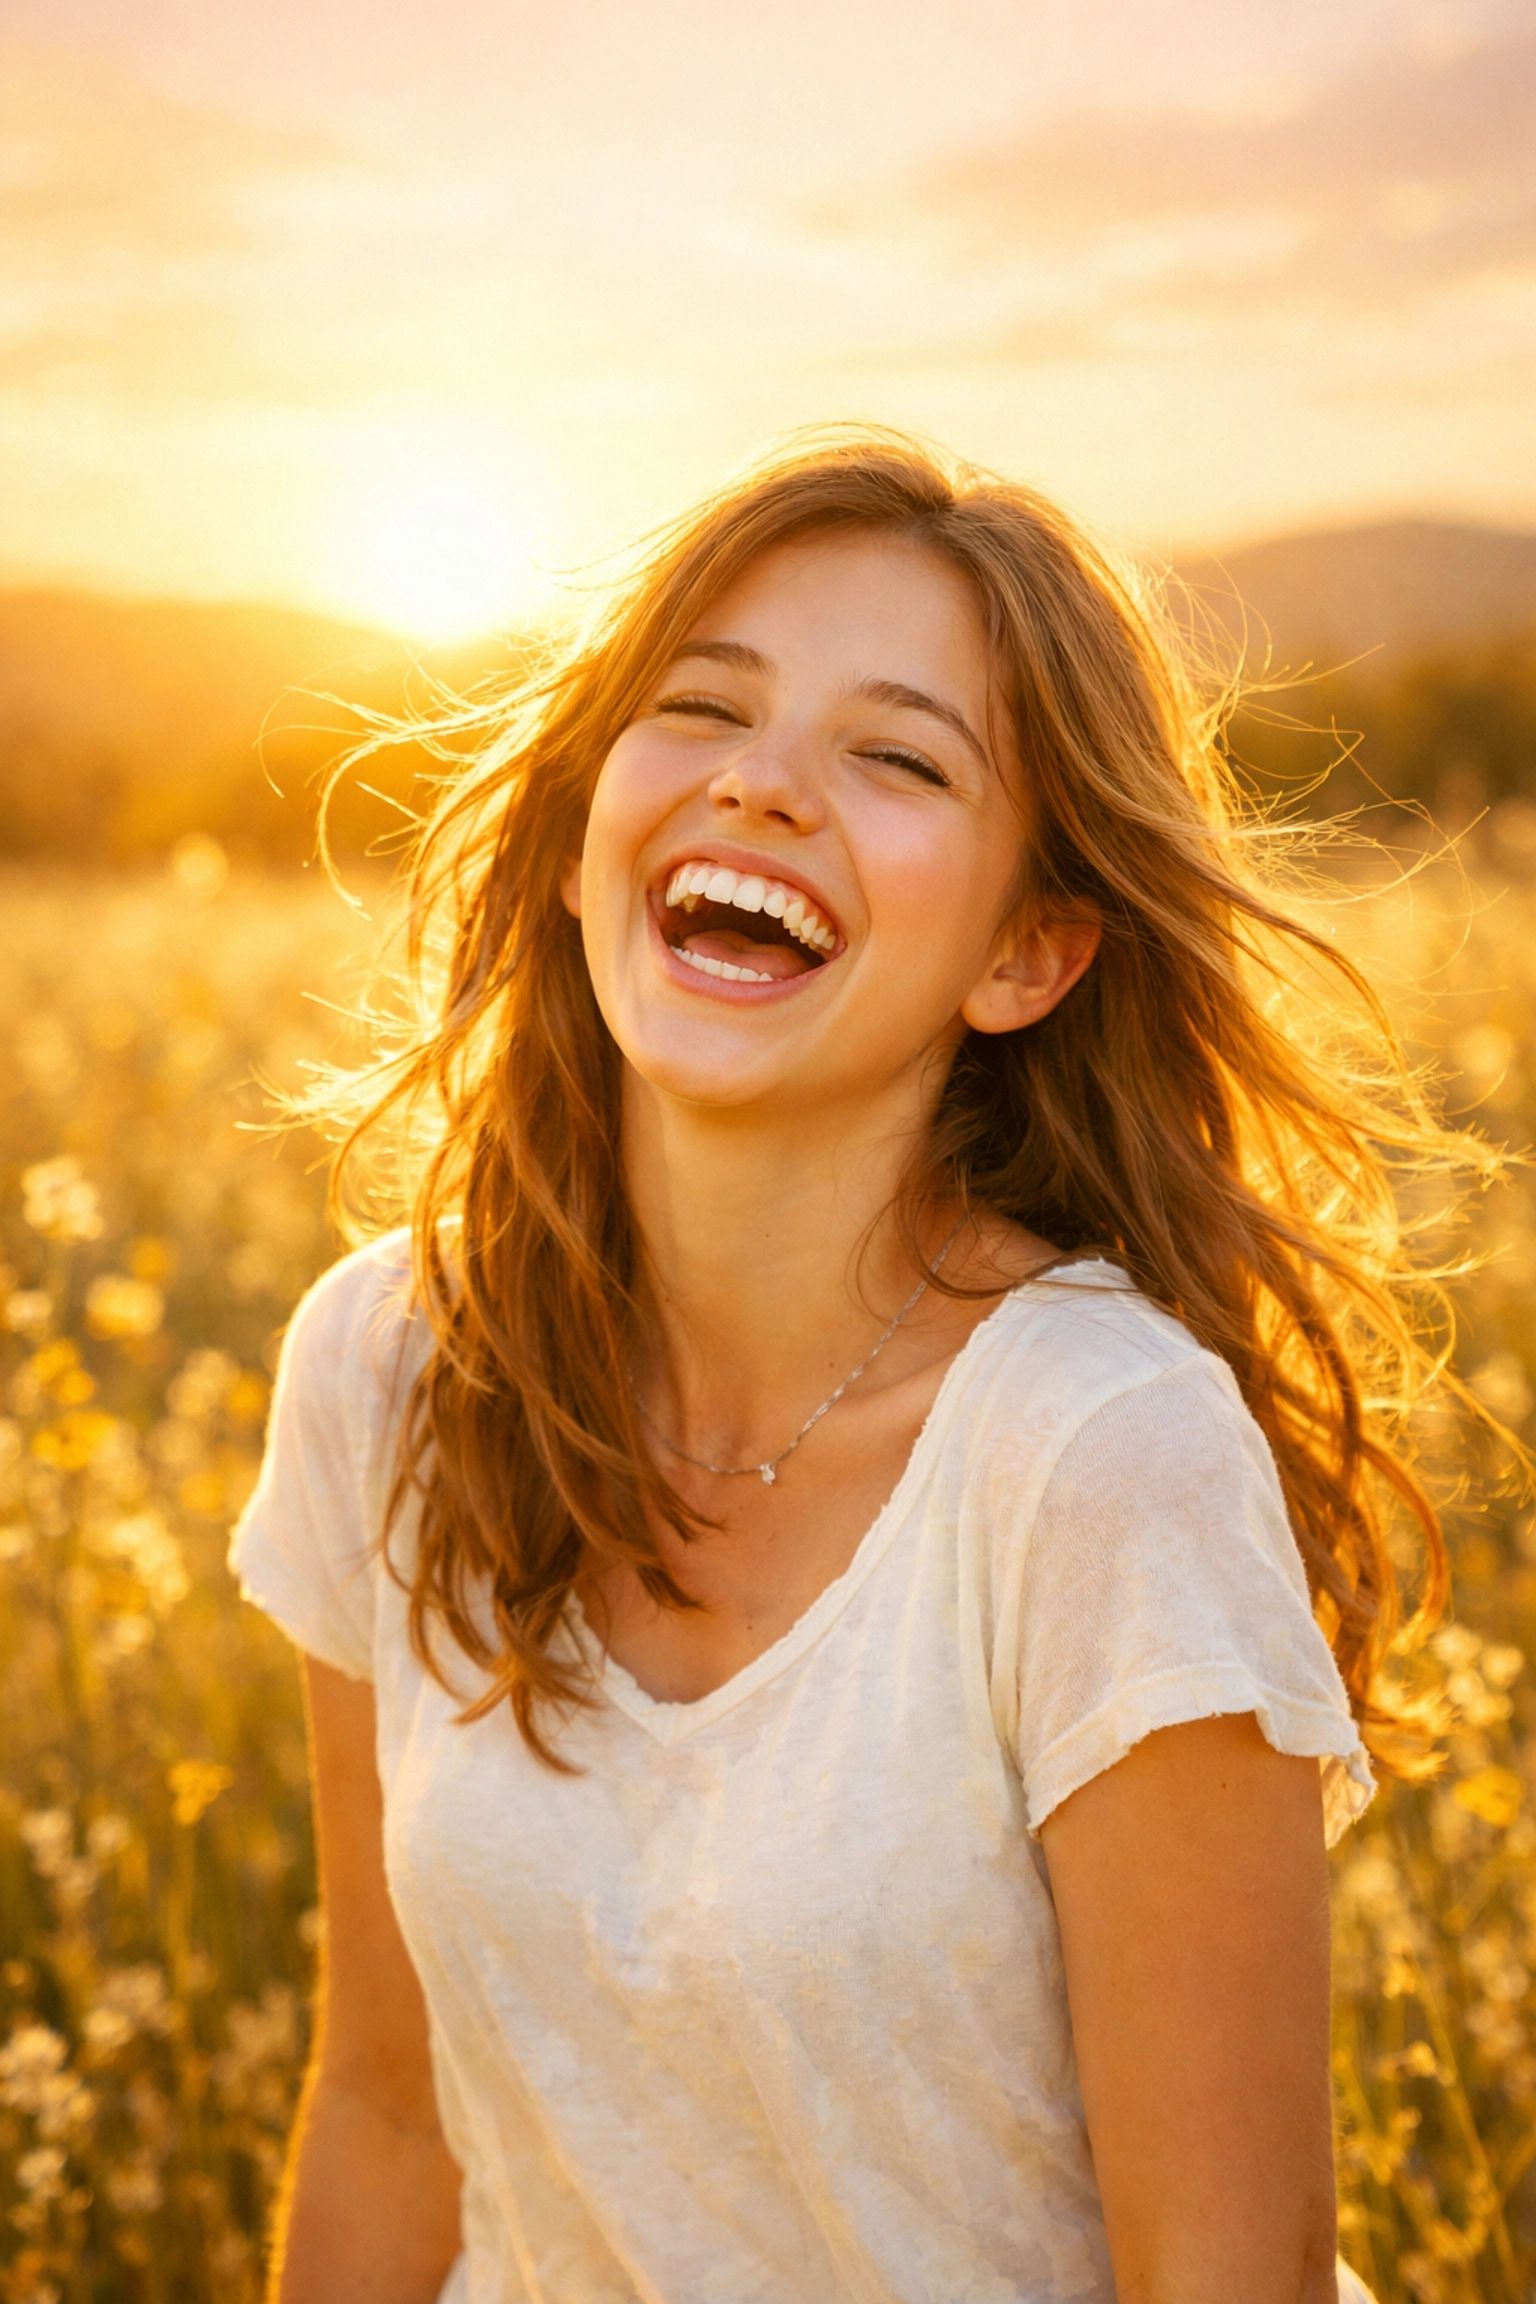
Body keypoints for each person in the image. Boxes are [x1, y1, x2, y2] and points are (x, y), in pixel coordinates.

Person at [231, 430, 1470, 2303]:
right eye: (703, 708)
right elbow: (395, 2120)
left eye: (895, 757)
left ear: (1031, 954)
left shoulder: (1097, 1454)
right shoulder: (384, 1370)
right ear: (586, 837)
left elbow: (1234, 2274)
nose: (761, 783)